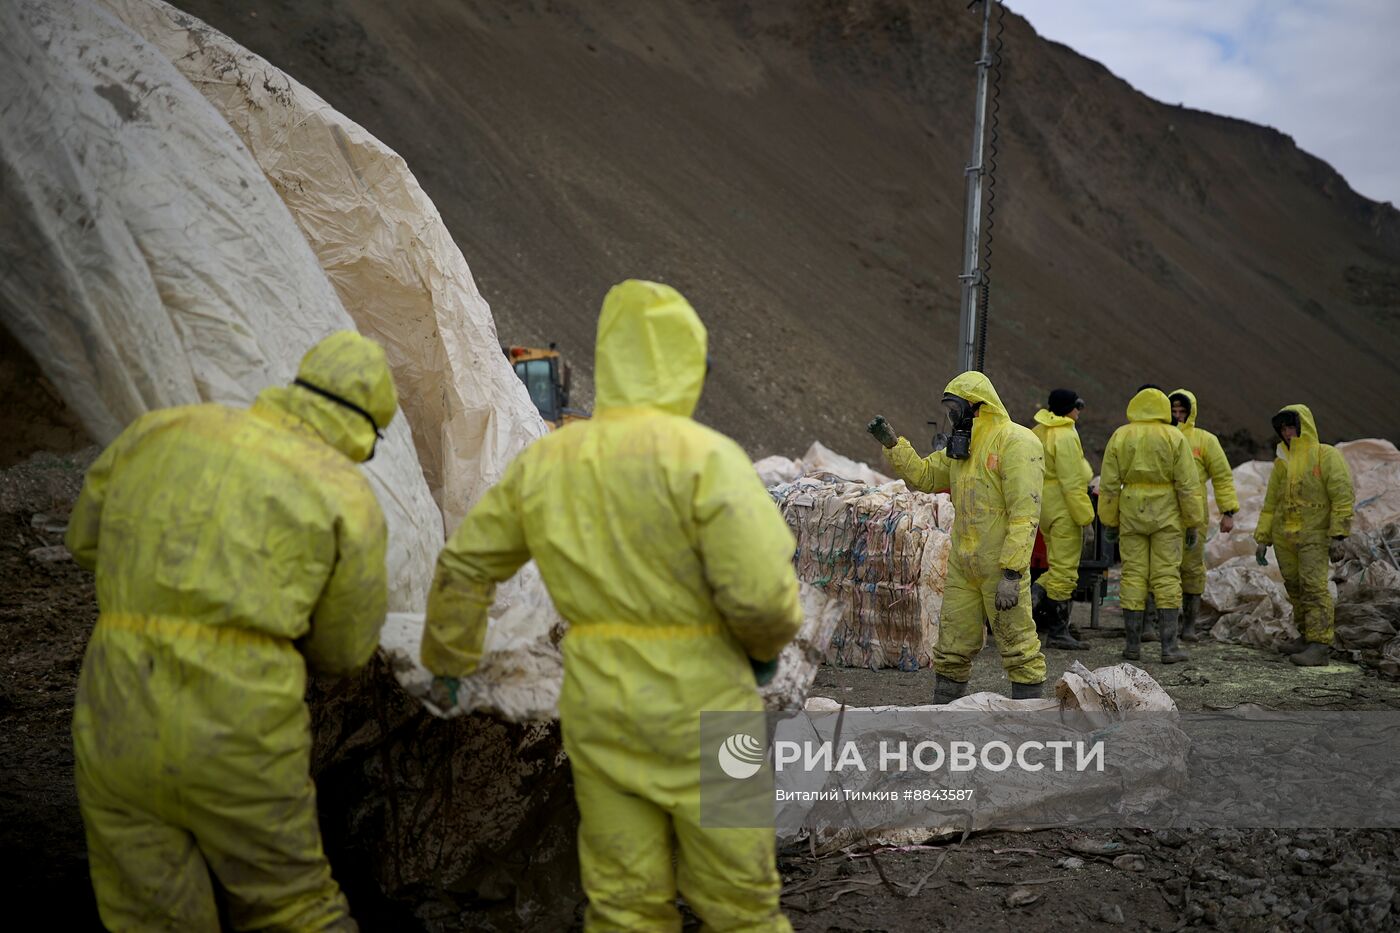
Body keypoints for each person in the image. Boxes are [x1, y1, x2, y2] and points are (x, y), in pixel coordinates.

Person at [421, 280, 803, 931]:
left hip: (603, 707)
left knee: (624, 902)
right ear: (684, 363)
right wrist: (763, 653)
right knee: (742, 900)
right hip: (711, 708)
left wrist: (448, 661)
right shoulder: (709, 459)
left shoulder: (551, 460)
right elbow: (762, 593)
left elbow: (467, 563)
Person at [65, 330, 397, 931]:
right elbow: (344, 650)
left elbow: (85, 540)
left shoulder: (163, 429)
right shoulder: (347, 496)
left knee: (149, 912)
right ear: (365, 428)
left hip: (115, 703)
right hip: (241, 723)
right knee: (292, 903)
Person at [868, 372, 1047, 701]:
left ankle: (1030, 712)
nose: (951, 416)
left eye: (955, 409)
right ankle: (943, 713)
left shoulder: (1016, 442)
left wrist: (1012, 571)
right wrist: (894, 446)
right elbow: (924, 476)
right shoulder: (960, 449)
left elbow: (1025, 512)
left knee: (1018, 642)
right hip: (964, 564)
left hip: (1000, 563)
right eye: (949, 409)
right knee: (951, 645)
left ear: (977, 406)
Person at [1098, 387, 1202, 664]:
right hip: (1166, 512)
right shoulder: (1174, 436)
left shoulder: (1121, 435)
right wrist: (1192, 522)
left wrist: (1110, 520)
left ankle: (1132, 647)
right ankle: (1169, 647)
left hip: (1132, 510)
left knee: (1132, 575)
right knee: (1167, 576)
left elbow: (1108, 484)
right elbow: (1188, 485)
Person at [1254, 405, 1354, 667]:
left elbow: (1342, 495)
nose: (1288, 433)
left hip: (1314, 534)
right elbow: (1270, 503)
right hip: (1284, 536)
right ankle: (1306, 635)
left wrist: (1338, 535)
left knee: (1314, 586)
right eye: (1283, 428)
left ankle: (1320, 645)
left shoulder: (1326, 455)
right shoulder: (1281, 462)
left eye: (1292, 426)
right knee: (1294, 586)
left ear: (1303, 427)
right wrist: (1263, 538)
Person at [1166, 389, 1239, 642]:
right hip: (1163, 512)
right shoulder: (1161, 435)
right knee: (1162, 569)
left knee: (1193, 568)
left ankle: (1188, 626)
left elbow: (1222, 476)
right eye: (1173, 411)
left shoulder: (1205, 440)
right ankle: (1160, 626)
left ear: (1191, 412)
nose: (1177, 416)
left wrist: (1228, 511)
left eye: (1182, 412)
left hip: (1194, 515)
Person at [1030, 389, 1095, 650]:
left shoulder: (1038, 431)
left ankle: (1034, 597)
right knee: (1064, 569)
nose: (1079, 410)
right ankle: (1057, 630)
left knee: (1055, 565)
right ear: (1069, 408)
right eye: (1077, 406)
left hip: (1043, 505)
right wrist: (1085, 516)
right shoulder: (1065, 435)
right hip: (1063, 507)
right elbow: (1073, 481)